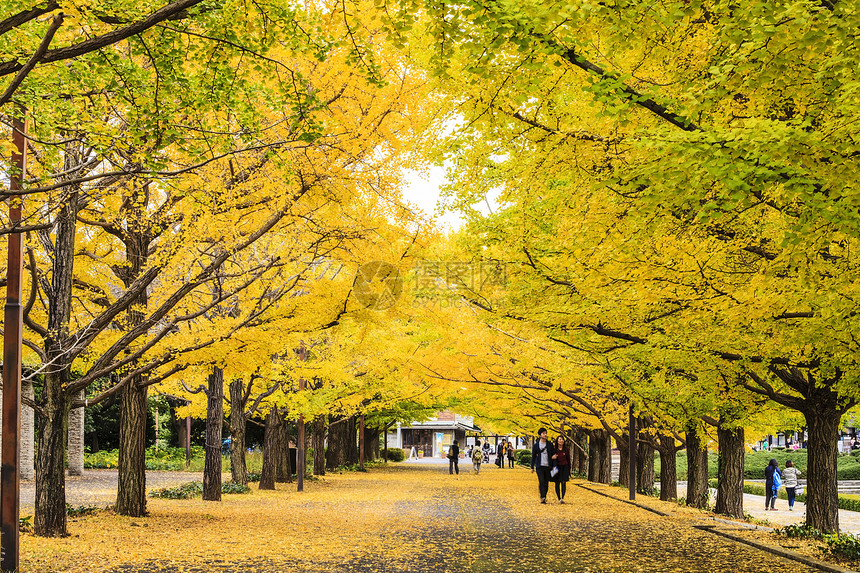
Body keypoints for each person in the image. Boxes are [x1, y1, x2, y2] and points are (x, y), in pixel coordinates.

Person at [530, 428, 556, 504]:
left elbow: (553, 455)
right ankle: (542, 497)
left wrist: (554, 465)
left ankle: (544, 495)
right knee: (541, 481)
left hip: (548, 466)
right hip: (539, 466)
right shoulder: (536, 445)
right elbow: (533, 456)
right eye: (543, 433)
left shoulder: (550, 444)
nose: (545, 434)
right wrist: (532, 467)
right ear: (539, 435)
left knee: (546, 482)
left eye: (546, 433)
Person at [552, 435, 571, 503]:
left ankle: (562, 497)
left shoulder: (566, 450)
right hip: (557, 467)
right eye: (560, 439)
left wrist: (569, 468)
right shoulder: (554, 449)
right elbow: (551, 458)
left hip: (564, 467)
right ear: (557, 441)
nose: (561, 441)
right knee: (557, 483)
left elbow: (568, 459)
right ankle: (559, 498)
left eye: (562, 439)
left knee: (563, 482)